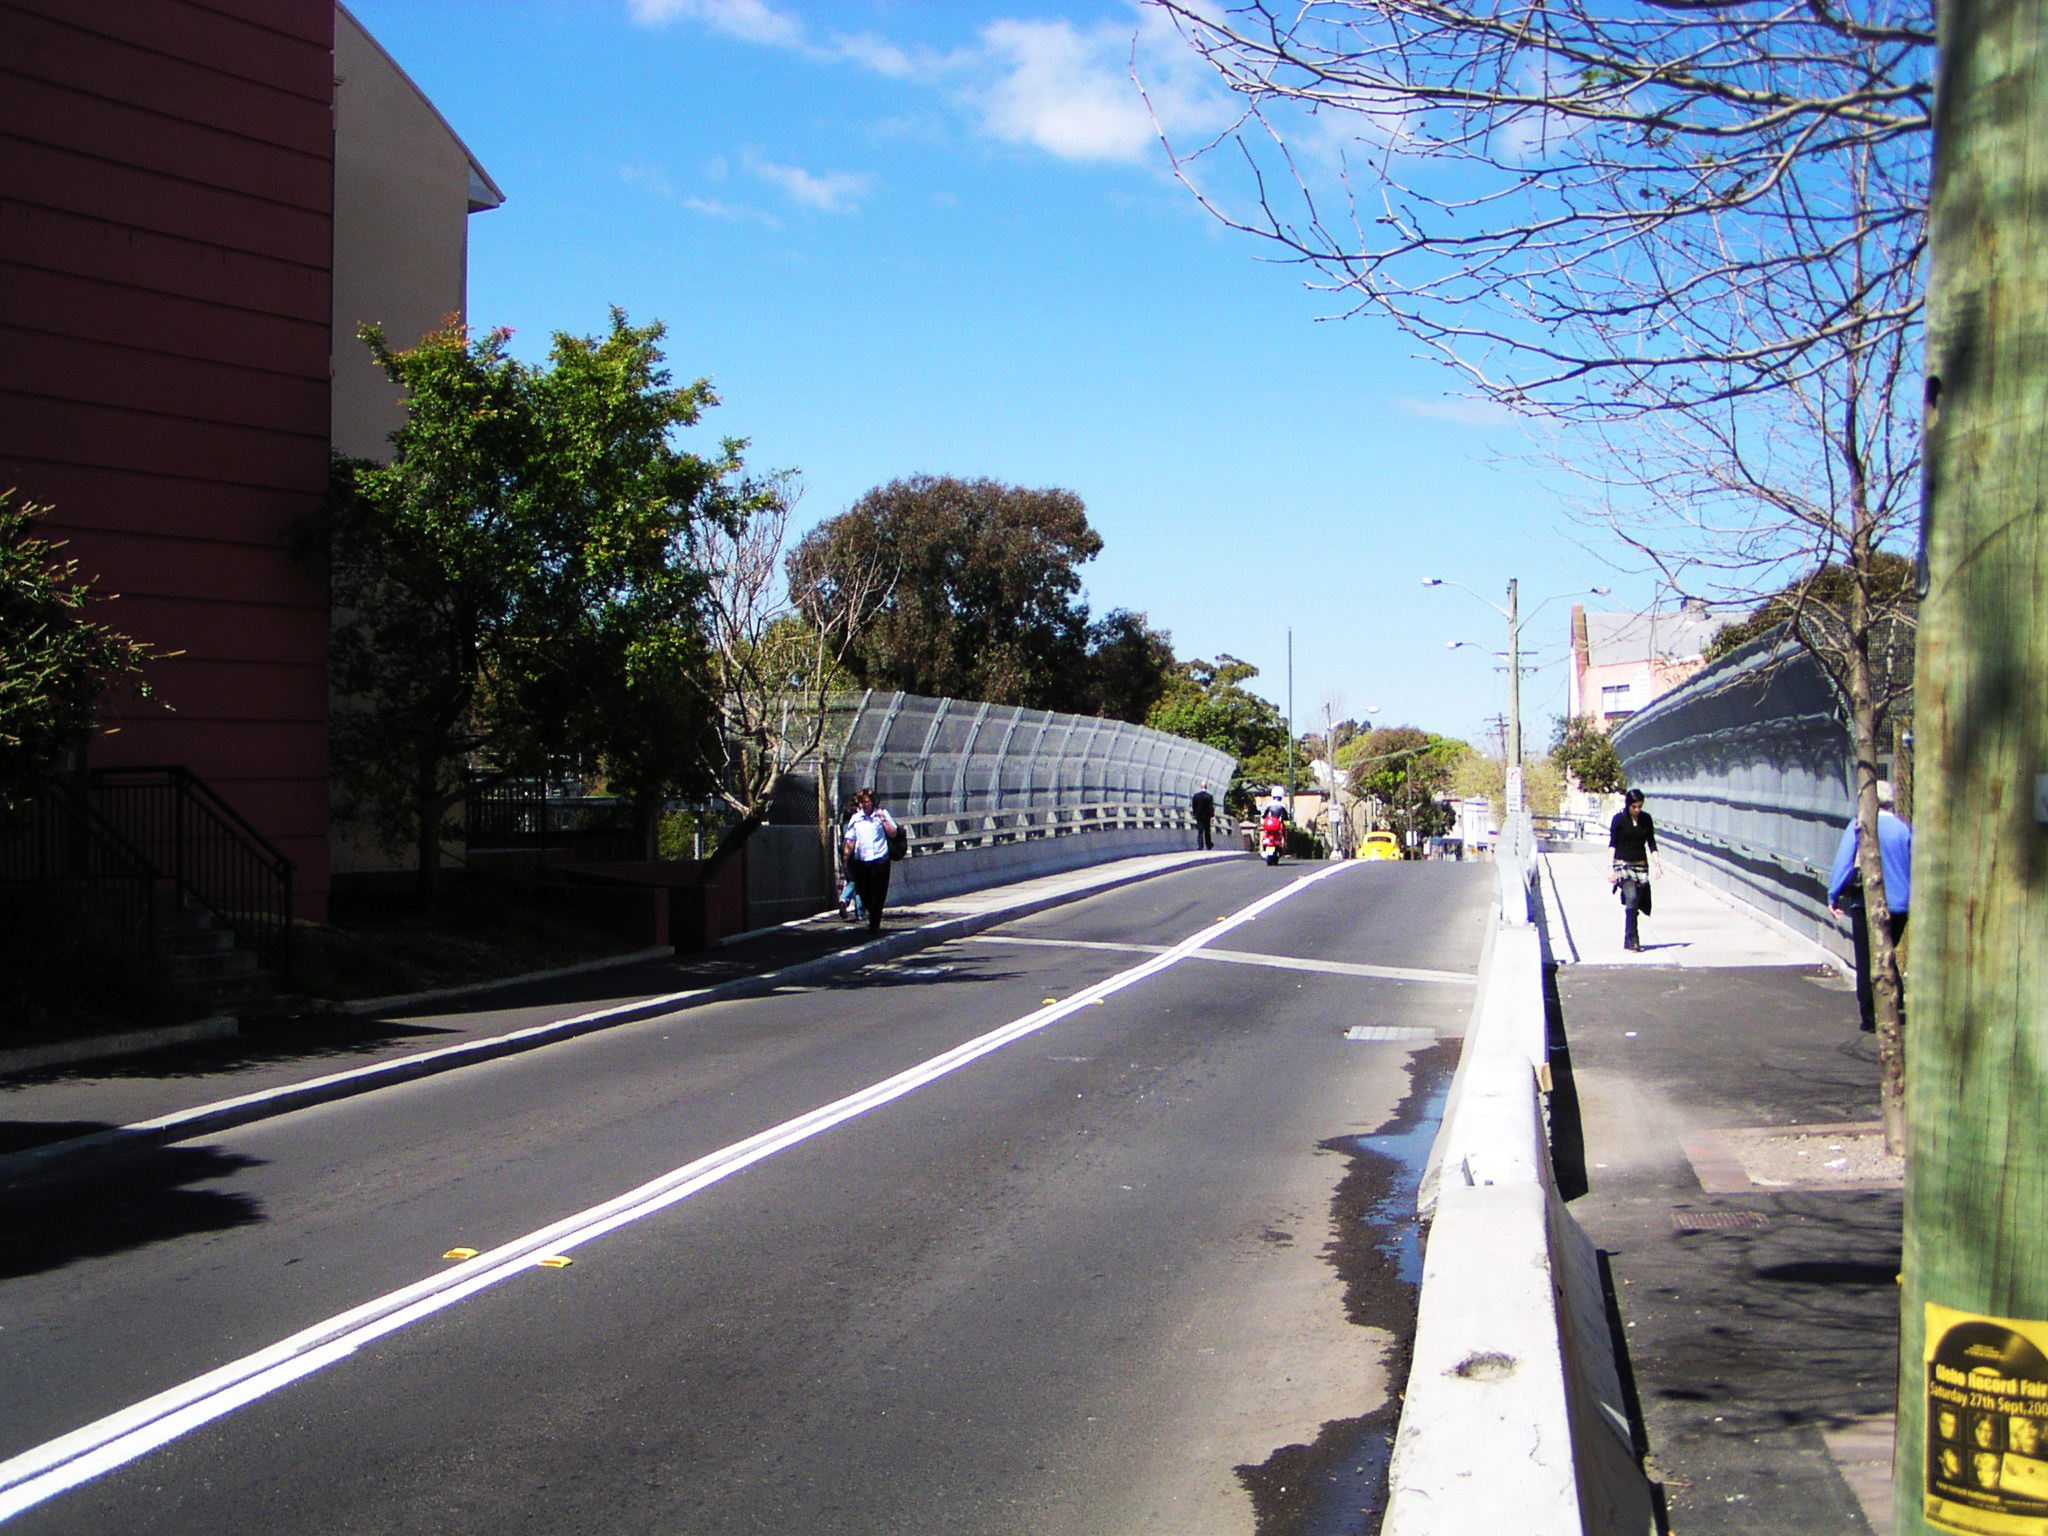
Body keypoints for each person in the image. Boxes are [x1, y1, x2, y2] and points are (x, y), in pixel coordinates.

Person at [1827, 780, 1911, 1033]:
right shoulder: (1902, 829)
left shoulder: (1860, 826)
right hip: (1900, 905)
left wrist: (1834, 894)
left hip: (1868, 902)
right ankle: (1895, 1005)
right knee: (1886, 953)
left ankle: (1871, 1015)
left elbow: (1844, 862)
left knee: (1867, 960)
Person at [1608, 788, 1662, 952]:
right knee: (1631, 897)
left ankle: (1628, 938)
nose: (1637, 810)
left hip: (1640, 866)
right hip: (1623, 864)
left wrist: (1657, 865)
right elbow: (1612, 844)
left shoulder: (1646, 819)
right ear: (1628, 805)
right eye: (1634, 807)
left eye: (1640, 806)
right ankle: (1634, 938)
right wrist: (1610, 868)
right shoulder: (1618, 820)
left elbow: (1651, 843)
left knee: (1636, 903)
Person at [842, 787, 898, 936]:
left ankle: (874, 924)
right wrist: (846, 858)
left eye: (867, 801)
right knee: (864, 893)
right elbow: (850, 840)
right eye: (862, 802)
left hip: (881, 859)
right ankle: (870, 912)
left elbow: (893, 833)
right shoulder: (856, 818)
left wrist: (883, 819)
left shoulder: (881, 814)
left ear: (873, 802)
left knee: (879, 894)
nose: (865, 804)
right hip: (862, 860)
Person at [1191, 783, 1215, 850]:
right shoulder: (1209, 796)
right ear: (1206, 787)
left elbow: (1194, 806)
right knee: (1207, 831)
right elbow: (1211, 808)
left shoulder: (1196, 796)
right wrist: (1212, 816)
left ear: (1200, 787)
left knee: (1200, 831)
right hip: (1207, 817)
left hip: (1199, 816)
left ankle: (1200, 846)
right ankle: (1208, 845)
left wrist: (1195, 814)